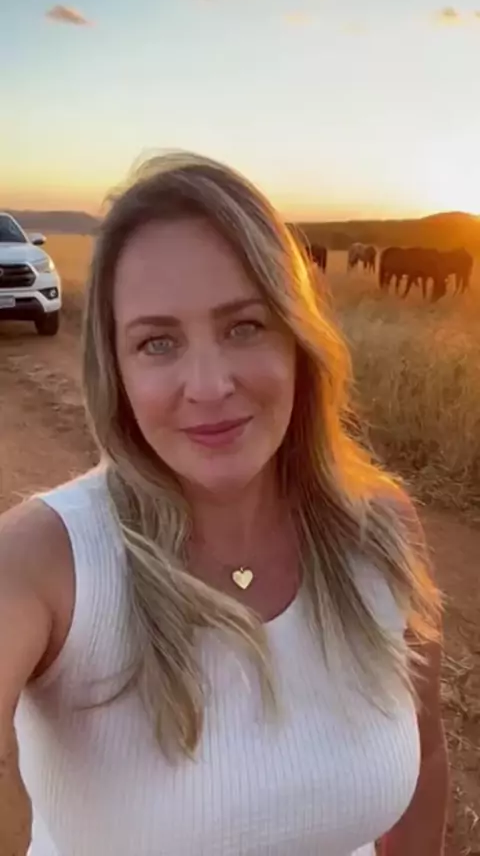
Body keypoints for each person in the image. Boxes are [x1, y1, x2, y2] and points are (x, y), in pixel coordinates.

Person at [0, 152, 448, 856]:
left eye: (244, 326)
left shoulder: (380, 529)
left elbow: (425, 753)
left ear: (298, 339)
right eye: (157, 342)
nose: (209, 386)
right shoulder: (42, 562)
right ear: (115, 370)